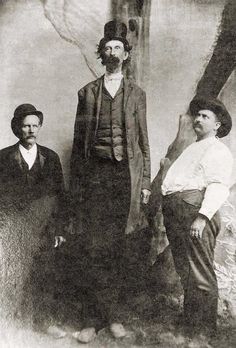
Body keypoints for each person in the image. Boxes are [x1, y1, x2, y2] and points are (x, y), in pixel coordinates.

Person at [68, 20, 151, 343]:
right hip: (94, 178)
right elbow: (77, 147)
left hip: (124, 178)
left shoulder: (137, 94)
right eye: (108, 48)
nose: (113, 52)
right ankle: (91, 320)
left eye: (119, 47)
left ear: (126, 54)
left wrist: (144, 182)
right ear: (101, 54)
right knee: (92, 247)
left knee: (120, 248)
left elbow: (144, 141)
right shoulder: (87, 93)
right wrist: (77, 186)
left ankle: (114, 317)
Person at [161, 97, 234, 336]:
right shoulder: (194, 147)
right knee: (186, 271)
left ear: (217, 125)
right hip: (178, 213)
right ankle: (191, 325)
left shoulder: (217, 150)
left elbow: (219, 185)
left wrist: (202, 217)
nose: (198, 119)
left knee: (200, 273)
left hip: (196, 214)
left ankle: (202, 334)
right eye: (198, 115)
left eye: (206, 116)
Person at [0, 103, 65, 336]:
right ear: (18, 128)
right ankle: (11, 324)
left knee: (45, 273)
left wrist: (59, 229)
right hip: (13, 229)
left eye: (35, 126)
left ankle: (45, 321)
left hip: (43, 228)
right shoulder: (3, 157)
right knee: (13, 275)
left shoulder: (51, 157)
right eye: (26, 126)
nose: (31, 130)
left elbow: (60, 196)